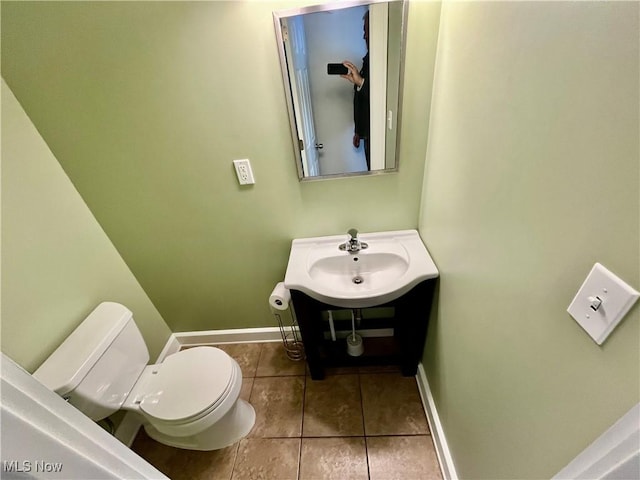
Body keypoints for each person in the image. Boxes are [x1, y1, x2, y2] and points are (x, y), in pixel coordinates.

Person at [341, 11, 370, 169]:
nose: (364, 36)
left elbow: (377, 99)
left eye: (366, 31)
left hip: (375, 134)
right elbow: (361, 100)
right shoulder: (368, 60)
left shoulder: (378, 61)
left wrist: (361, 82)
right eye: (363, 31)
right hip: (366, 133)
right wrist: (358, 131)